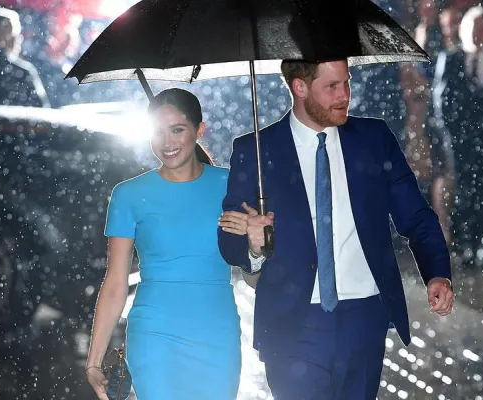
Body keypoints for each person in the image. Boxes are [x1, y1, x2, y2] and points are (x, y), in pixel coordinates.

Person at [218, 59, 455, 399]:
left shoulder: (374, 139)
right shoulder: (255, 150)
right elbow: (229, 239)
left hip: (364, 319)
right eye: (332, 86)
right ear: (300, 87)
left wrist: (437, 272)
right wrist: (253, 245)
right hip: (292, 322)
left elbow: (416, 215)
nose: (345, 95)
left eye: (347, 82)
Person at [84, 88, 249, 400]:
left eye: (177, 130)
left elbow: (254, 276)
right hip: (154, 336)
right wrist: (94, 361)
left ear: (200, 130)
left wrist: (255, 245)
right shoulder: (129, 194)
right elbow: (116, 281)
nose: (167, 142)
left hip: (217, 334)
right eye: (158, 131)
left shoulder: (232, 186)